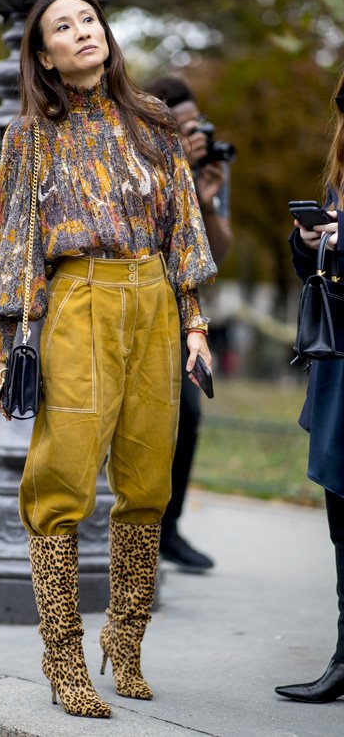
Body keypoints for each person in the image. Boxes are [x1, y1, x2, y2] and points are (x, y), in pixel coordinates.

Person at [0, 0, 217, 718]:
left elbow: (184, 225)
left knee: (148, 480)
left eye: (89, 19)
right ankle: (63, 656)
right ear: (43, 55)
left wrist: (195, 325)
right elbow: (12, 244)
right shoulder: (31, 135)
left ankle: (126, 637)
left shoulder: (154, 120)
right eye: (63, 26)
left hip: (154, 302)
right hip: (78, 299)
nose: (83, 31)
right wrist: (2, 351)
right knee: (63, 479)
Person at [143, 75, 232, 571]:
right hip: (135, 304)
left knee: (188, 417)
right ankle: (123, 530)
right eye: (184, 128)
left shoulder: (207, 167)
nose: (196, 136)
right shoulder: (142, 160)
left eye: (198, 125)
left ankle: (167, 530)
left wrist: (208, 198)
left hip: (181, 311)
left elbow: (216, 254)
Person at [275, 71, 344, 703]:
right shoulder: (341, 175)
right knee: (342, 515)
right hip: (339, 361)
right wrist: (309, 239)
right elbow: (314, 272)